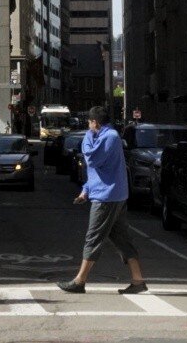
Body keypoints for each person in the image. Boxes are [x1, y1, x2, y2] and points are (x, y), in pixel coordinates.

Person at [57, 106, 148, 295]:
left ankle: (80, 280)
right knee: (122, 239)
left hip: (107, 197)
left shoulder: (110, 137)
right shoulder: (104, 136)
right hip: (112, 194)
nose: (88, 126)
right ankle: (138, 280)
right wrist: (86, 190)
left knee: (93, 237)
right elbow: (97, 172)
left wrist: (88, 137)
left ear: (95, 122)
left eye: (90, 123)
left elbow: (92, 160)